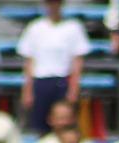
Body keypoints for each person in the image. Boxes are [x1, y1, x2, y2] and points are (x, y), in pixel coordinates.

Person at [17, 0, 91, 133]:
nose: (53, 5)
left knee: (65, 124)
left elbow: (77, 61)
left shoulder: (73, 27)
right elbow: (29, 62)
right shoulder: (35, 27)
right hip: (41, 81)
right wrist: (27, 90)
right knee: (40, 126)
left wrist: (74, 88)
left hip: (63, 80)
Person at [28, 100, 101, 143]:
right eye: (60, 118)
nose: (64, 122)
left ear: (74, 119)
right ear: (50, 119)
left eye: (67, 118)